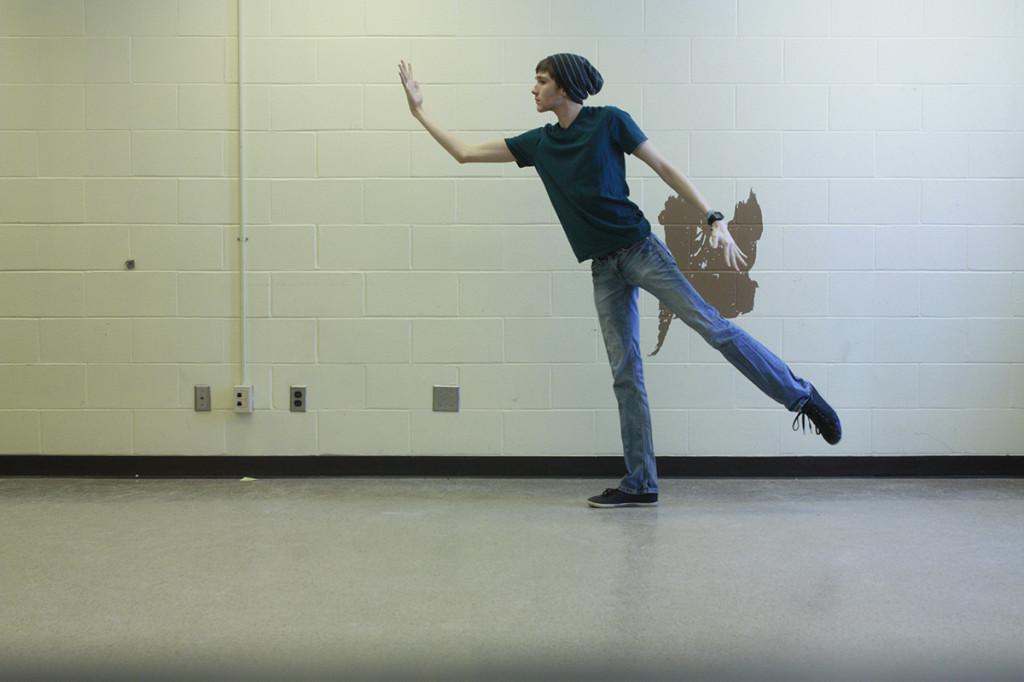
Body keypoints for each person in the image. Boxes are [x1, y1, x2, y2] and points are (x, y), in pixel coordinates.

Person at [398, 53, 841, 509]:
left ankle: (802, 397)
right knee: (625, 372)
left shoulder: (610, 122)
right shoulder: (540, 144)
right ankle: (641, 483)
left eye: (541, 81)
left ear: (564, 88)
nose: (533, 89)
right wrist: (419, 111)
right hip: (603, 268)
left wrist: (712, 217)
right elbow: (464, 153)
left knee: (715, 328)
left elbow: (664, 167)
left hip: (641, 250)